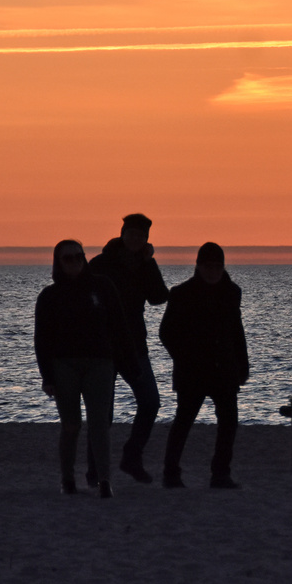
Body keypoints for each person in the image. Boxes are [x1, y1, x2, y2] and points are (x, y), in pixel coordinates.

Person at [34, 239, 139, 498]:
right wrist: (47, 376)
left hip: (100, 364)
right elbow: (42, 340)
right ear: (58, 262)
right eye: (67, 258)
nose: (74, 262)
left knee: (99, 424)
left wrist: (131, 365)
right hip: (64, 365)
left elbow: (120, 328)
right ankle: (67, 479)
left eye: (78, 256)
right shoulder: (49, 296)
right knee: (70, 425)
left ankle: (104, 481)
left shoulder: (102, 287)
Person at [158, 241, 250, 489]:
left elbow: (236, 330)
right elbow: (166, 333)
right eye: (208, 266)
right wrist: (185, 358)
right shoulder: (181, 293)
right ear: (198, 266)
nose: (213, 271)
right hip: (193, 372)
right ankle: (171, 473)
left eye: (217, 266)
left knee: (229, 422)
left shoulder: (232, 292)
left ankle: (221, 474)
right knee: (184, 421)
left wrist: (243, 364)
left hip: (225, 369)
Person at [87, 212, 170, 484]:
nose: (135, 239)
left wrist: (149, 263)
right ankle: (94, 469)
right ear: (122, 235)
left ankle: (131, 458)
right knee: (103, 413)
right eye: (131, 234)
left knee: (150, 402)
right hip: (103, 348)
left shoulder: (143, 265)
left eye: (141, 236)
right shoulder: (101, 263)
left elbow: (159, 297)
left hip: (134, 346)